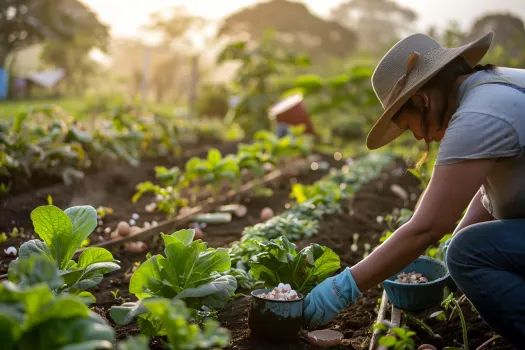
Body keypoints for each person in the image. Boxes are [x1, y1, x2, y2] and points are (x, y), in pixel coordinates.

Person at [303, 31, 525, 348]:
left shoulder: (477, 116)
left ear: (422, 99)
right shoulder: (497, 86)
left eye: (409, 127)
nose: (422, 140)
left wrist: (342, 288)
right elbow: (490, 191)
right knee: (464, 246)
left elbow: (428, 226)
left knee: (469, 251)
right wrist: (451, 246)